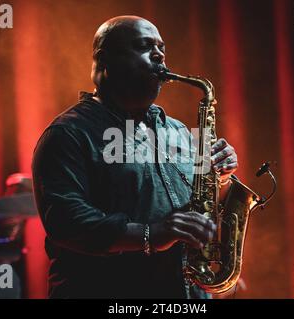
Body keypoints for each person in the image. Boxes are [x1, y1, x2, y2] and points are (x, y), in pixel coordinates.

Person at [32, 15, 238, 299]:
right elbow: (66, 223)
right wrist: (152, 235)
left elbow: (201, 205)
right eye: (144, 46)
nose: (159, 54)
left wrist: (220, 177)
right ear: (105, 61)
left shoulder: (177, 130)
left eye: (162, 48)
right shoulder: (68, 134)